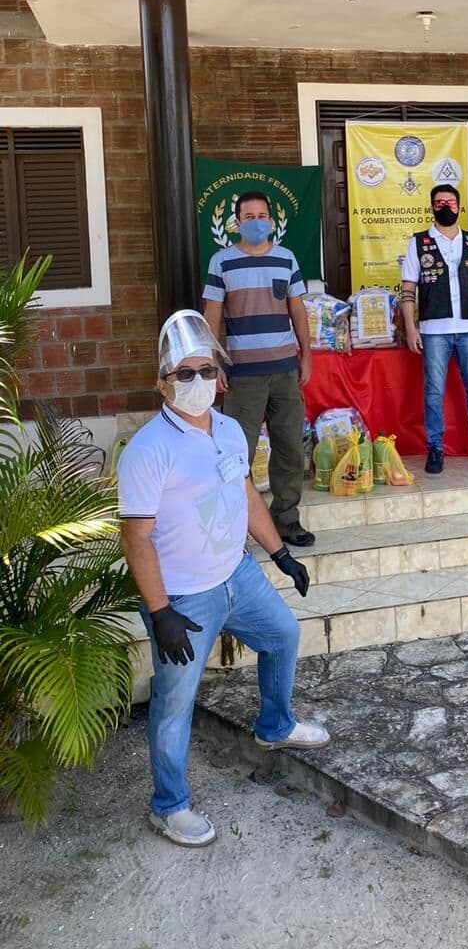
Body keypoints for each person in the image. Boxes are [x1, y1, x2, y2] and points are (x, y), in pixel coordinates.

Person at [118, 310, 330, 848]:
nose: (197, 383)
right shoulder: (148, 450)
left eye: (206, 371)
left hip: (238, 572)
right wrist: (160, 611)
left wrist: (280, 555)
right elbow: (136, 538)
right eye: (184, 374)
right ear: (162, 382)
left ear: (221, 374)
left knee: (282, 635)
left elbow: (245, 495)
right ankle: (169, 806)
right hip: (184, 596)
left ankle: (275, 725)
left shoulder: (232, 429)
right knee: (174, 702)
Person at [203, 190, 314, 547]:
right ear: (236, 223)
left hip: (284, 370)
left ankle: (287, 519)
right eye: (248, 216)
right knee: (237, 455)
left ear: (271, 221)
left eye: (261, 215)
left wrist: (306, 354)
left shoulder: (286, 259)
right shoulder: (221, 262)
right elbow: (212, 316)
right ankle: (236, 527)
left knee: (289, 449)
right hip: (243, 375)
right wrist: (212, 362)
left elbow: (297, 310)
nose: (256, 222)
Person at [400, 184, 468, 475]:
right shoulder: (418, 243)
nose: (446, 206)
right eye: (440, 202)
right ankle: (435, 448)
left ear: (459, 207)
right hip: (433, 330)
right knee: (433, 392)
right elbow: (408, 289)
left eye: (451, 202)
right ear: (432, 207)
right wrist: (411, 328)